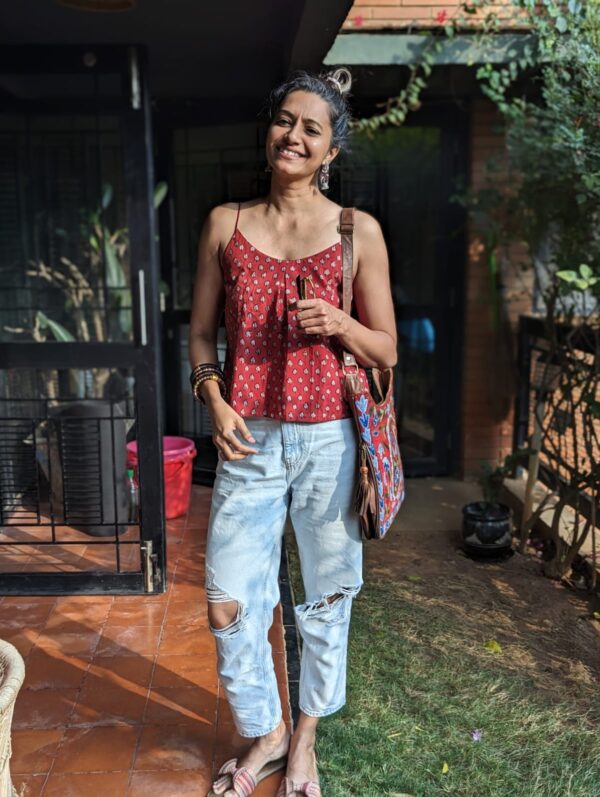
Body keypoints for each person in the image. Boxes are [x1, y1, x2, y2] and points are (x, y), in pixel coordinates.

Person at [189, 67, 397, 797]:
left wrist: (342, 324)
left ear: (332, 148)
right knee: (226, 600)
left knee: (328, 597)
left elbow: (387, 349)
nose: (295, 135)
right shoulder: (227, 223)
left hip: (330, 446)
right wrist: (213, 400)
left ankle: (302, 741)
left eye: (313, 127)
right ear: (269, 129)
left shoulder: (356, 232)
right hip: (248, 443)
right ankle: (265, 728)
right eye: (286, 120)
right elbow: (201, 337)